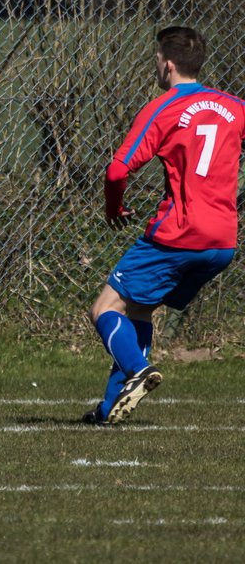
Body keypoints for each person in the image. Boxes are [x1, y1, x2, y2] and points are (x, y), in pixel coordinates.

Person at [84, 26, 243, 425]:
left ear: (167, 63)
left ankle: (139, 371)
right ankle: (108, 410)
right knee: (137, 309)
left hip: (179, 234)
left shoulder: (165, 107)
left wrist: (113, 207)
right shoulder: (235, 107)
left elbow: (118, 170)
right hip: (222, 242)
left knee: (103, 307)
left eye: (156, 58)